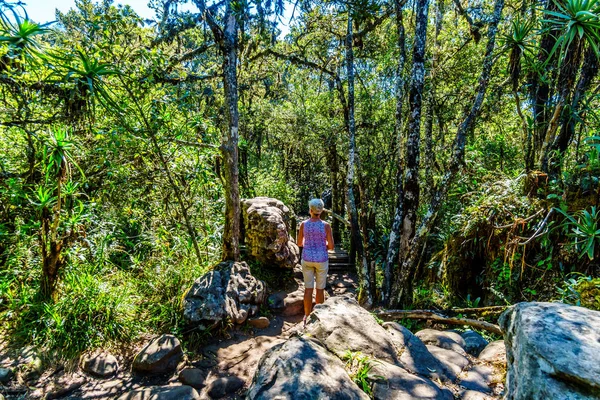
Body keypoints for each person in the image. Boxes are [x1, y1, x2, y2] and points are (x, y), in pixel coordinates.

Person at [296, 198, 334, 327]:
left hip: (307, 259)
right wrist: (323, 245)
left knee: (308, 289)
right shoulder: (326, 226)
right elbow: (331, 246)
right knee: (320, 289)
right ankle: (319, 317)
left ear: (310, 210)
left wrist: (309, 244)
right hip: (322, 260)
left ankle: (306, 316)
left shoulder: (303, 224)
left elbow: (299, 243)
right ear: (321, 210)